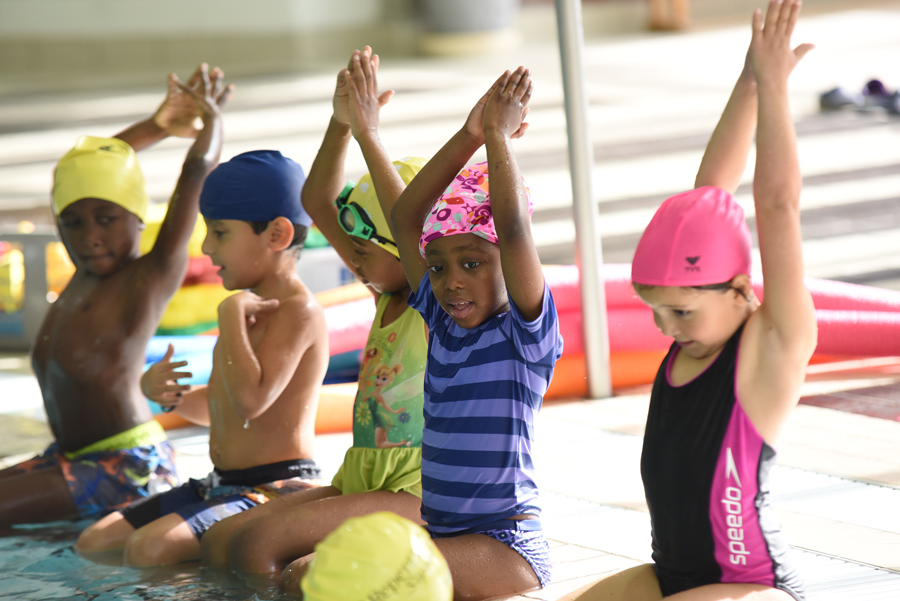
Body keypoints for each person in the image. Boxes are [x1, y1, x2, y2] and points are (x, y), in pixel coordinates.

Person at [562, 1, 815, 600]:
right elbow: (709, 194)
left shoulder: (771, 346)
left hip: (749, 588)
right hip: (670, 579)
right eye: (656, 308)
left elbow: (778, 205)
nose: (667, 327)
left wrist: (776, 90)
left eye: (682, 311)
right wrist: (751, 80)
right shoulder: (703, 327)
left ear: (741, 290)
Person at [197, 46, 429, 579]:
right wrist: (340, 123)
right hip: (364, 477)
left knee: (260, 550)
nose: (353, 260)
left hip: (415, 487)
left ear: (402, 247)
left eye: (364, 249)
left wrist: (371, 134)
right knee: (222, 541)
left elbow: (410, 228)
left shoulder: (428, 304)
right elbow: (318, 199)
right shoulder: (384, 293)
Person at [0, 64, 230, 527]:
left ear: (138, 219)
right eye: (75, 224)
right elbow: (79, 172)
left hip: (129, 469)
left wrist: (213, 124)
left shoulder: (147, 277)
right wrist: (157, 127)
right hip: (70, 458)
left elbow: (195, 172)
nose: (91, 238)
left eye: (107, 219)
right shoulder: (82, 276)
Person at [74, 149, 329, 566]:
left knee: (149, 549)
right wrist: (170, 395)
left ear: (277, 235)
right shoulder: (246, 307)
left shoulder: (297, 312)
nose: (207, 248)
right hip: (220, 484)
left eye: (220, 232)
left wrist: (229, 318)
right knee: (95, 542)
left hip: (274, 488)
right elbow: (225, 406)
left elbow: (251, 402)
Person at [389, 66, 563, 600]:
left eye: (472, 263)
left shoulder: (523, 337)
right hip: (445, 537)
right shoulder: (442, 326)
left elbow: (512, 229)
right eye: (438, 267)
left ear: (507, 265)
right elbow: (404, 219)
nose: (451, 282)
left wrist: (496, 138)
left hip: (503, 545)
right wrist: (469, 134)